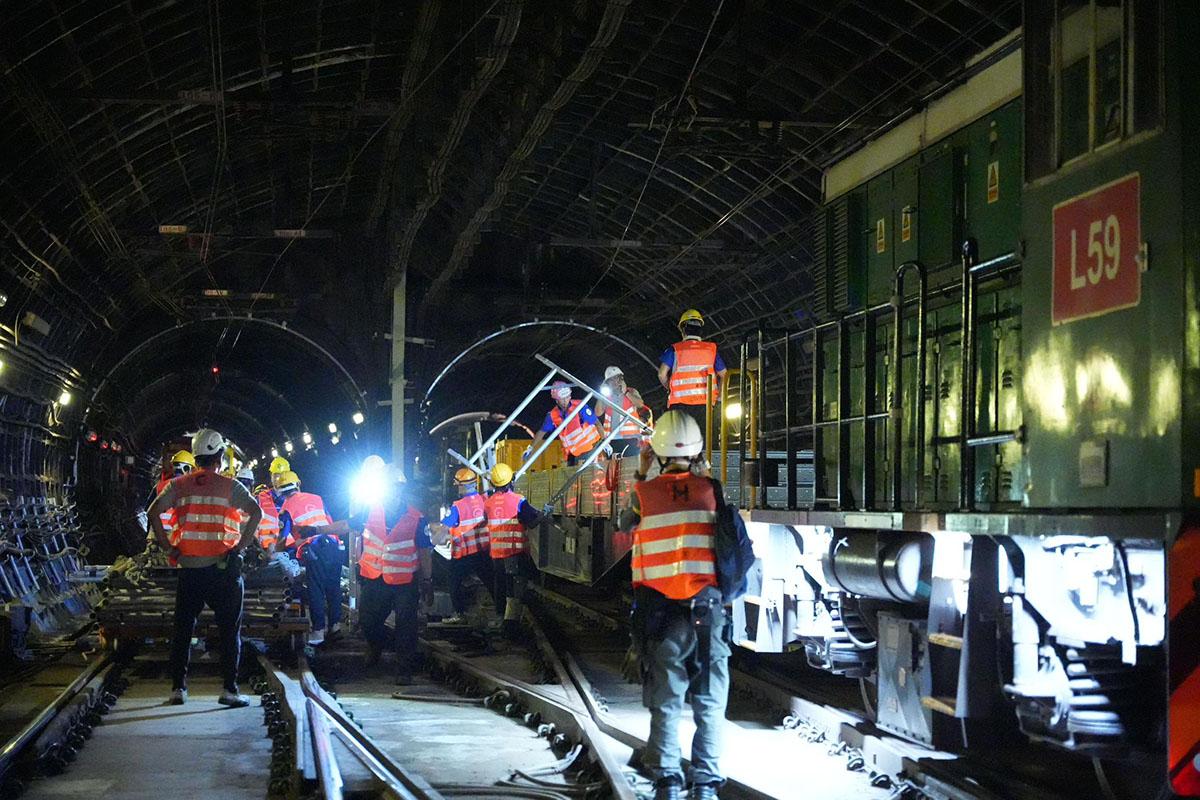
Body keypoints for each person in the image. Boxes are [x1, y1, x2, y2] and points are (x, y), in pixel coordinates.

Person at [619, 411, 728, 800]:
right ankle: (706, 784)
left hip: (663, 613)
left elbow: (622, 523)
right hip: (708, 608)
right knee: (711, 698)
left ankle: (667, 779)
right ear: (697, 450)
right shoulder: (710, 489)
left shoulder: (643, 495)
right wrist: (704, 472)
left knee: (667, 697)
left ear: (657, 452)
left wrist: (640, 473)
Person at [147, 428, 263, 707]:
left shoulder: (179, 486)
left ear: (197, 456)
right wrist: (240, 546)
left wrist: (169, 547)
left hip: (190, 569)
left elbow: (153, 512)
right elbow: (256, 512)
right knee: (228, 631)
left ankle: (178, 688)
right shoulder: (230, 486)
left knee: (184, 629)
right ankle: (229, 689)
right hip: (223, 569)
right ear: (220, 456)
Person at [350, 464, 433, 684]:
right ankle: (377, 646)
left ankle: (404, 669)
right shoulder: (370, 510)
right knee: (368, 622)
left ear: (401, 490)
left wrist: (427, 580)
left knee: (407, 624)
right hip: (376, 577)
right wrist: (318, 530)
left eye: (395, 487)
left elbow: (424, 550)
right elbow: (350, 528)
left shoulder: (417, 518)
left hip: (405, 580)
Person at [273, 470, 341, 646]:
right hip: (333, 544)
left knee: (316, 589)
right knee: (333, 588)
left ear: (279, 491)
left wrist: (274, 553)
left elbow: (283, 537)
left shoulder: (286, 508)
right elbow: (329, 520)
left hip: (315, 548)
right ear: (298, 484)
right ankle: (335, 627)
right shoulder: (316, 497)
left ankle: (318, 632)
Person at [483, 463, 541, 638]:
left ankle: (501, 618)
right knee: (514, 588)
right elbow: (531, 521)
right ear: (511, 481)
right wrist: (543, 514)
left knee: (500, 586)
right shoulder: (518, 500)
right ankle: (511, 626)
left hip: (496, 555)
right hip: (515, 554)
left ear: (493, 484)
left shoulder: (488, 503)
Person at [435, 467, 493, 624]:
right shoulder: (484, 500)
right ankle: (502, 614)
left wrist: (431, 543)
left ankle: (460, 614)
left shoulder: (458, 506)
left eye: (458, 485)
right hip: (482, 552)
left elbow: (444, 527)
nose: (457, 488)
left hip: (464, 554)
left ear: (463, 485)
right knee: (492, 582)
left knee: (454, 582)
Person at [658, 309, 727, 433]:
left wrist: (669, 387)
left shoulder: (674, 350)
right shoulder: (711, 350)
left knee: (680, 444)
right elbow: (724, 375)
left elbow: (661, 374)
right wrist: (719, 400)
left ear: (682, 329)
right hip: (705, 406)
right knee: (704, 443)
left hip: (679, 405)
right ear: (700, 329)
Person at [526, 380, 603, 466]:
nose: (565, 401)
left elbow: (597, 423)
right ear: (556, 400)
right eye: (562, 399)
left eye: (567, 397)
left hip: (591, 449)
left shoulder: (580, 407)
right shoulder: (552, 415)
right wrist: (530, 448)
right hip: (572, 455)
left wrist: (605, 442)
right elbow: (541, 432)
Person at [144, 449, 195, 552]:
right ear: (187, 468)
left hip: (155, 535)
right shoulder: (190, 489)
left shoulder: (159, 486)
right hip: (174, 538)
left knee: (153, 565)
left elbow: (148, 510)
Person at [599, 366, 652, 457]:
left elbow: (640, 404)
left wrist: (626, 392)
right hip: (612, 440)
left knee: (631, 467)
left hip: (631, 439)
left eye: (617, 378)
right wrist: (601, 395)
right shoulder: (606, 397)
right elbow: (598, 412)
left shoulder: (631, 391)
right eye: (611, 380)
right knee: (613, 469)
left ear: (621, 379)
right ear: (607, 382)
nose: (615, 382)